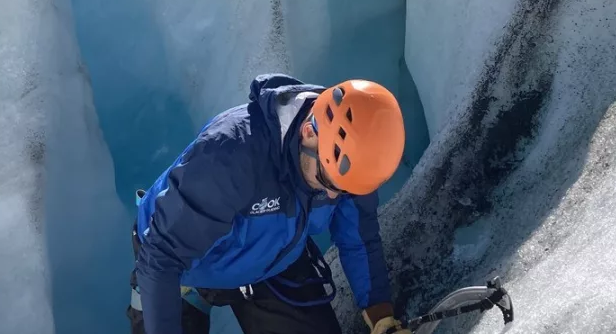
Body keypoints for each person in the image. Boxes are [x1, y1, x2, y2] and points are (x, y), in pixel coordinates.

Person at [127, 73, 411, 334]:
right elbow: (161, 258)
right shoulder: (231, 156)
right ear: (309, 133)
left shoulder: (348, 156)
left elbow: (359, 237)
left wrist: (382, 316)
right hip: (180, 271)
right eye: (329, 184)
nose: (335, 197)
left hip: (273, 258)